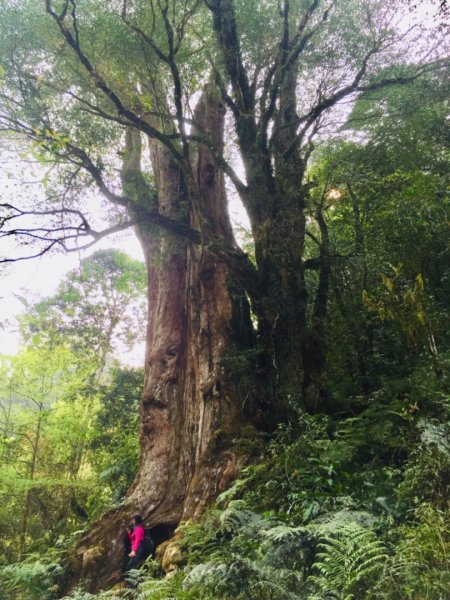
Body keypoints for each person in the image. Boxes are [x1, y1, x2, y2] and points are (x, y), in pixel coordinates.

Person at [125, 514, 146, 584]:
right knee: (131, 565)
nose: (132, 521)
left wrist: (134, 551)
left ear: (137, 520)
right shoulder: (136, 528)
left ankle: (132, 585)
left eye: (133, 520)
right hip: (135, 548)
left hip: (137, 548)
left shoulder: (139, 529)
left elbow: (137, 540)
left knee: (131, 565)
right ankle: (133, 583)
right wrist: (129, 534)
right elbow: (132, 540)